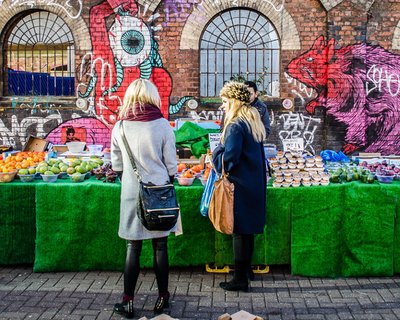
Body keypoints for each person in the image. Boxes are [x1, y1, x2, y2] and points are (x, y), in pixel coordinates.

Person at [111, 79, 179, 318]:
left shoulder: (119, 127)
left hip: (132, 192)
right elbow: (172, 165)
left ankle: (127, 301)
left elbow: (117, 165)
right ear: (153, 97)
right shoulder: (162, 125)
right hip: (159, 192)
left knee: (133, 245)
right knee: (160, 245)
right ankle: (163, 298)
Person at [212, 81, 267, 292]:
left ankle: (239, 279)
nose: (223, 106)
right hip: (254, 184)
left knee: (239, 233)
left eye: (225, 101)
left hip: (240, 186)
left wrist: (216, 152)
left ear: (234, 101)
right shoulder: (252, 120)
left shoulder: (235, 126)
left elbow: (229, 160)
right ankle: (244, 275)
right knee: (247, 233)